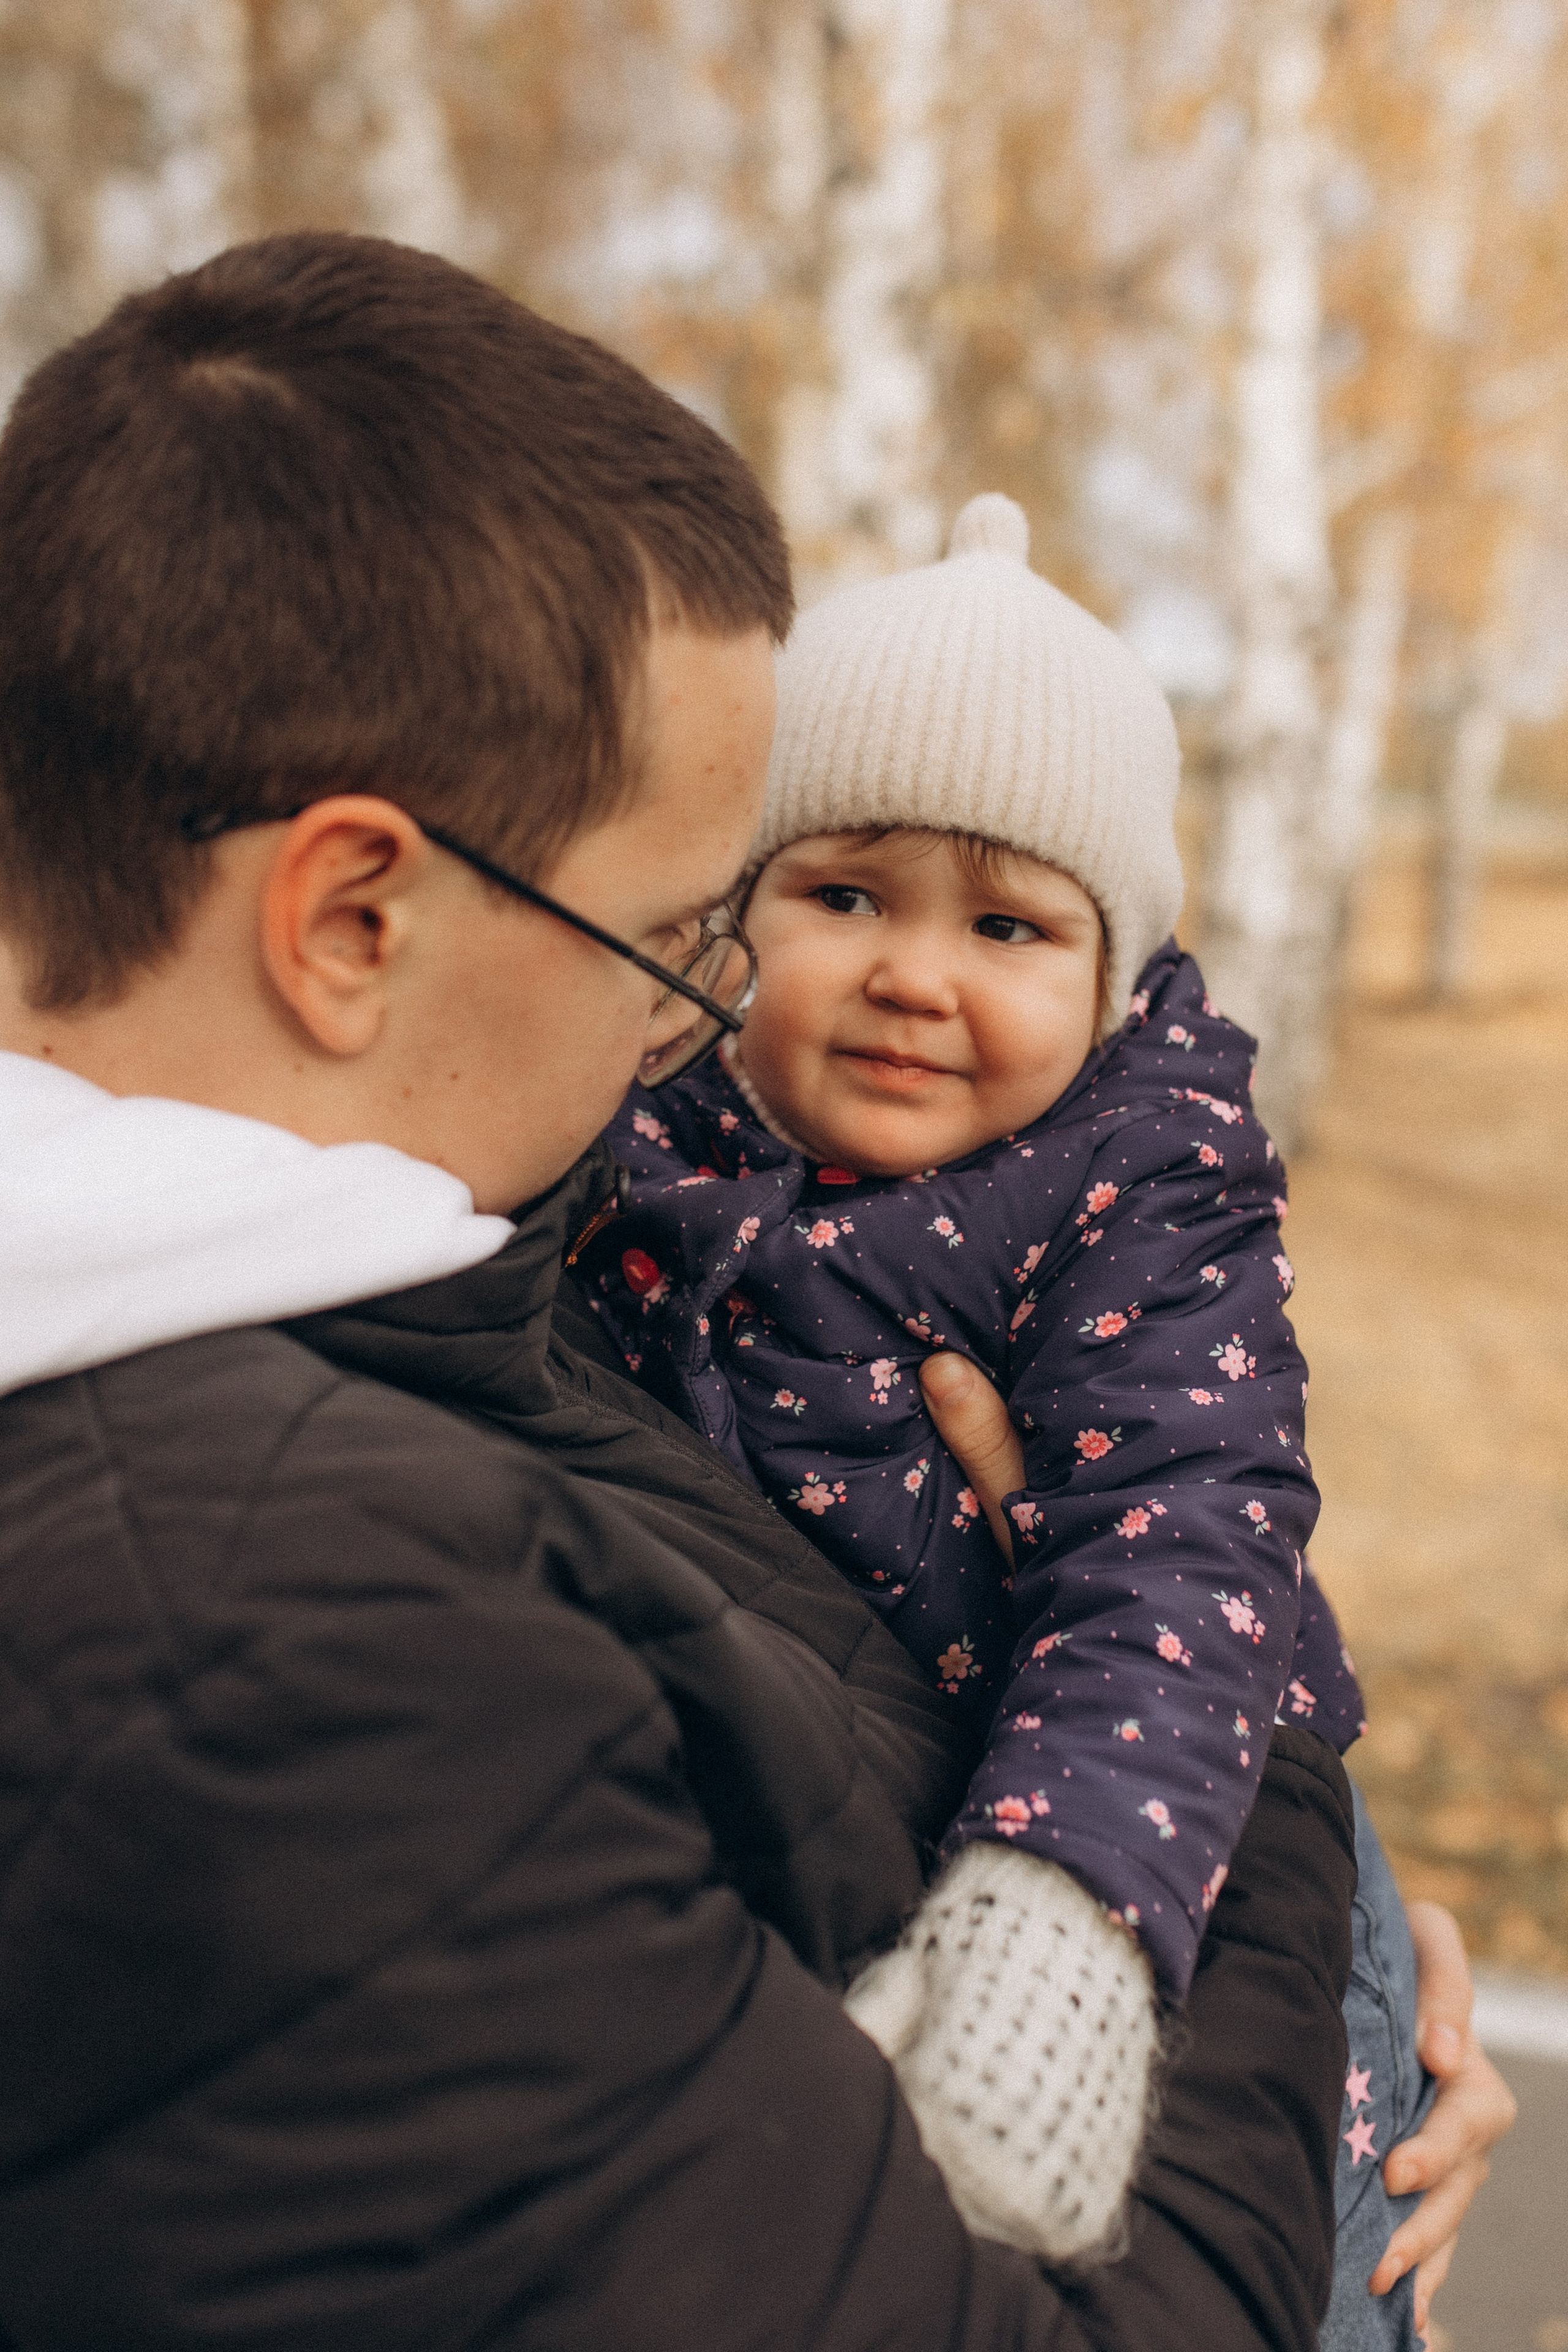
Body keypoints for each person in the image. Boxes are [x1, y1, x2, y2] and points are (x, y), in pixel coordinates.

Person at [0, 233, 1507, 2352]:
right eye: (688, 933)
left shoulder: (432, 1288)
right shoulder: (274, 1650)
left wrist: (1249, 1957)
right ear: (350, 916)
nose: (701, 1020)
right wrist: (1263, 1855)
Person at [584, 496, 1502, 2335]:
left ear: (1112, 978)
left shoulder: (1133, 1193)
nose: (917, 973)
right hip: (878, 1853)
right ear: (732, 911)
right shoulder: (642, 1148)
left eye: (1009, 924)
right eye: (842, 894)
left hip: (1166, 1847)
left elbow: (1187, 1547)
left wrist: (1070, 1912)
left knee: (1306, 2266)